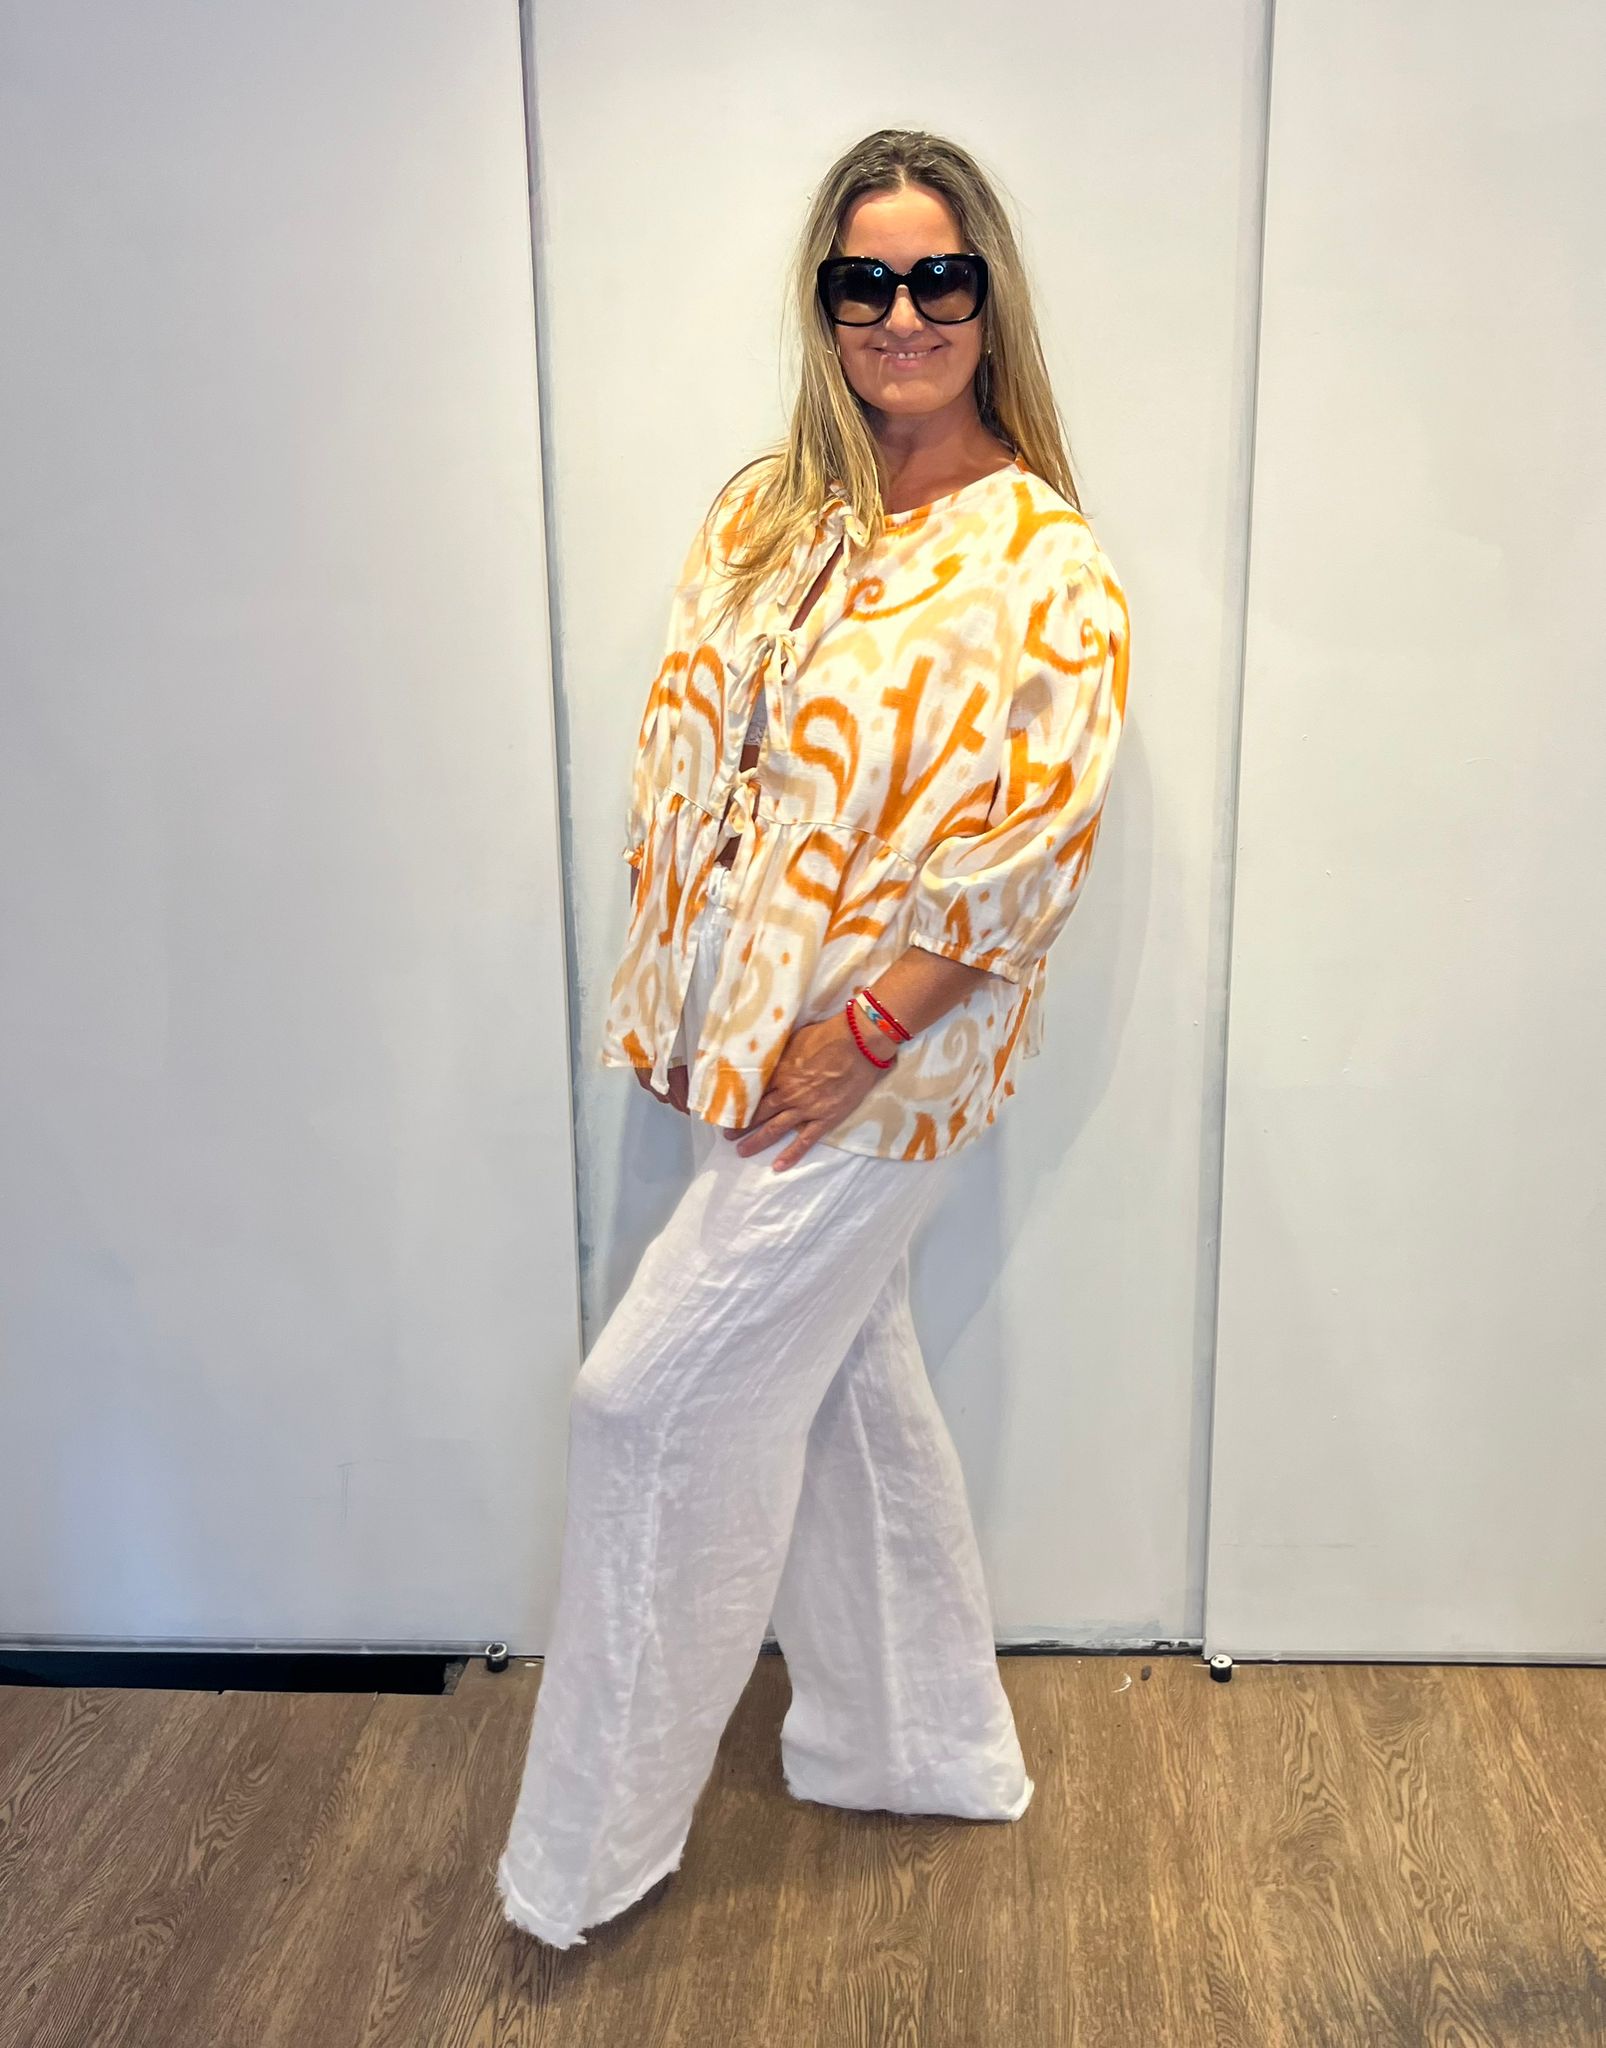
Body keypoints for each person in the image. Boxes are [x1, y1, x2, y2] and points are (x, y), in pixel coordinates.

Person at [497, 126, 1130, 1950]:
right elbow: (691, 764)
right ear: (825, 304)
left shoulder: (1044, 560)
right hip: (740, 1044)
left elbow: (1031, 847)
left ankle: (581, 1858)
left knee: (644, 1407)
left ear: (988, 300)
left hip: (875, 1073)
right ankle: (914, 1748)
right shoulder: (765, 513)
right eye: (866, 281)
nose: (902, 314)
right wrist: (673, 997)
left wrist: (861, 1027)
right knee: (849, 1394)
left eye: (939, 278)